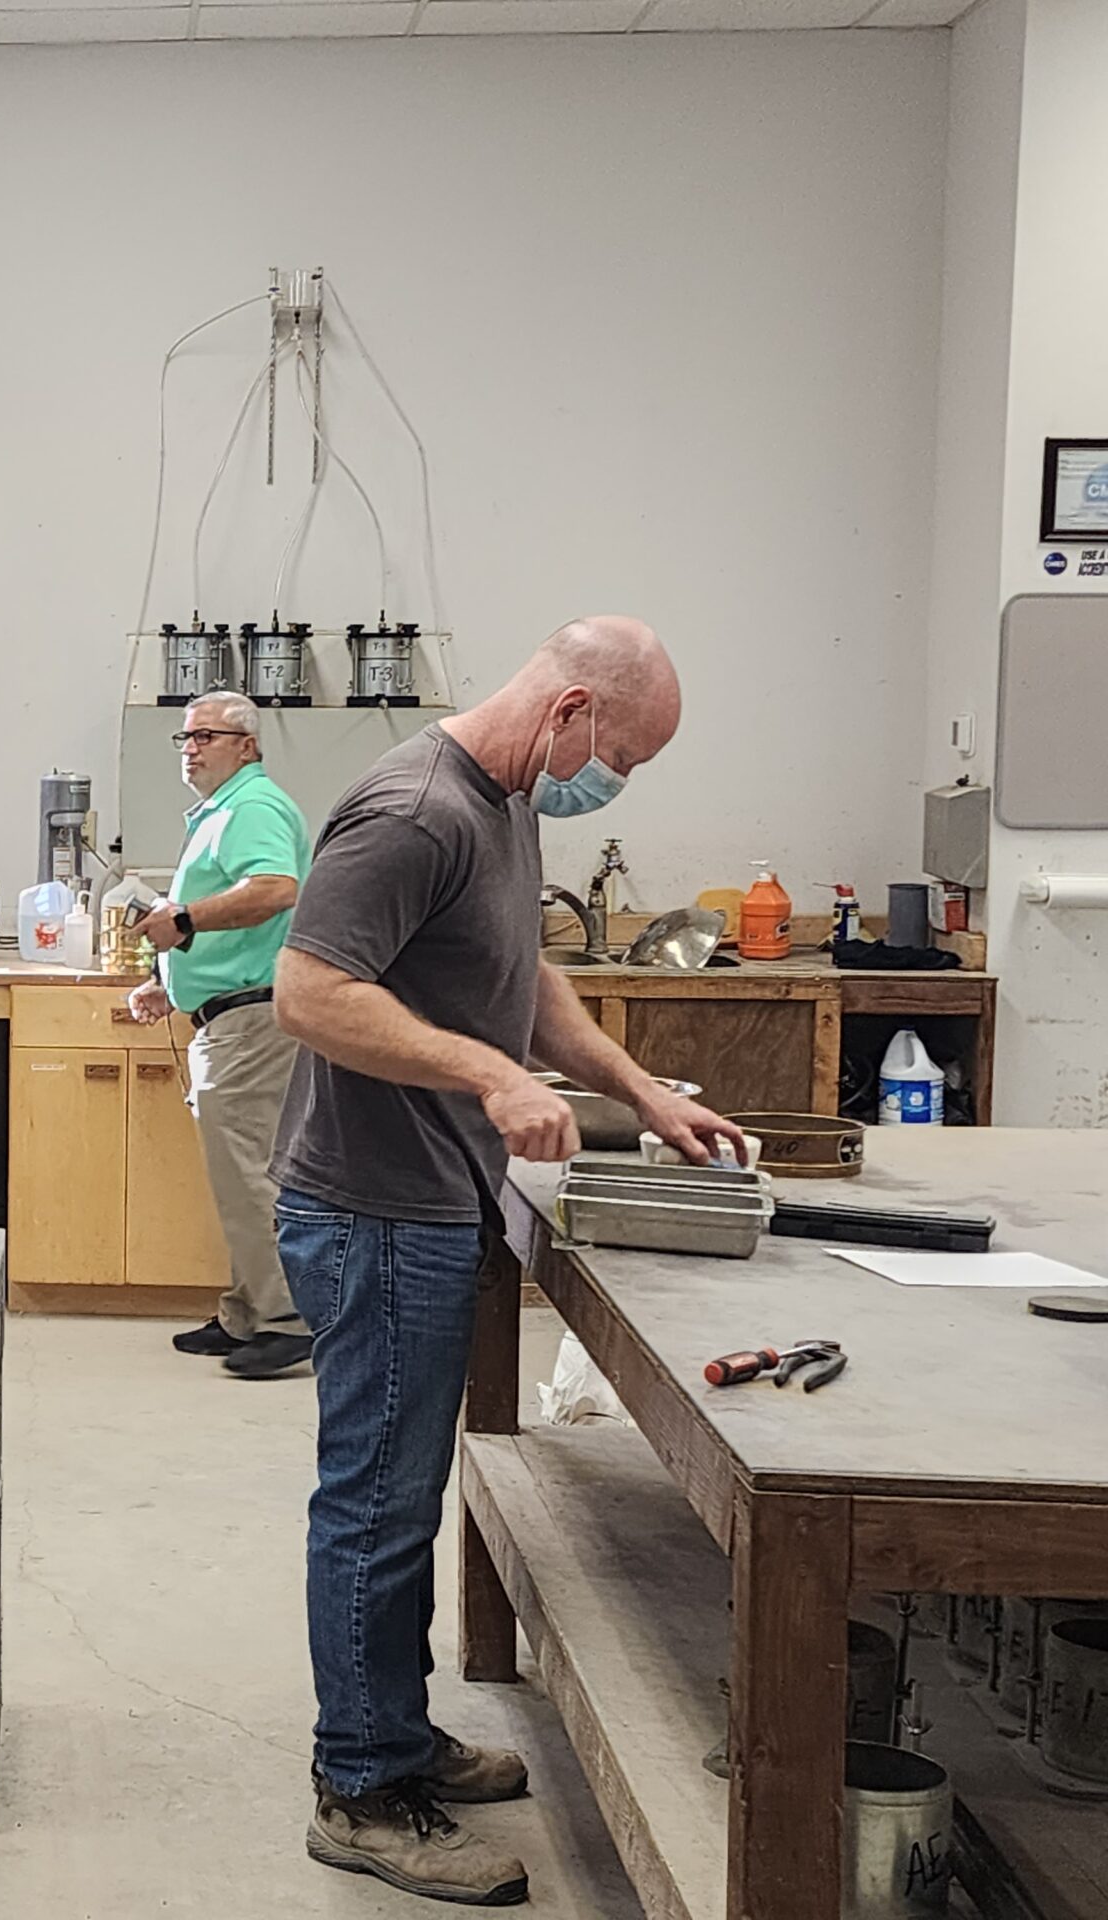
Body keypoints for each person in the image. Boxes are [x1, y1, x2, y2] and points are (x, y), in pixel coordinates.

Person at [268, 617, 744, 1906]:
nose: (616, 784)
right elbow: (306, 990)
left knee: (400, 1491)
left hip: (430, 1201)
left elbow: (524, 980)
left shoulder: (508, 799)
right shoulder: (417, 811)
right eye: (624, 759)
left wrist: (639, 1089)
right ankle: (360, 1793)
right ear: (573, 707)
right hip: (370, 1212)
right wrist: (483, 1073)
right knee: (374, 1505)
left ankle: (394, 1733)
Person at [122, 690, 316, 1380]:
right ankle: (247, 1312)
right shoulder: (224, 812)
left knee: (249, 1174)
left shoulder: (253, 807)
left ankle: (286, 1320)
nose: (193, 748)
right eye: (186, 737)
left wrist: (186, 923)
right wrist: (168, 981)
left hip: (253, 1021)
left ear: (249, 746)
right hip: (233, 1013)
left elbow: (275, 890)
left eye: (209, 736)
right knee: (240, 1176)